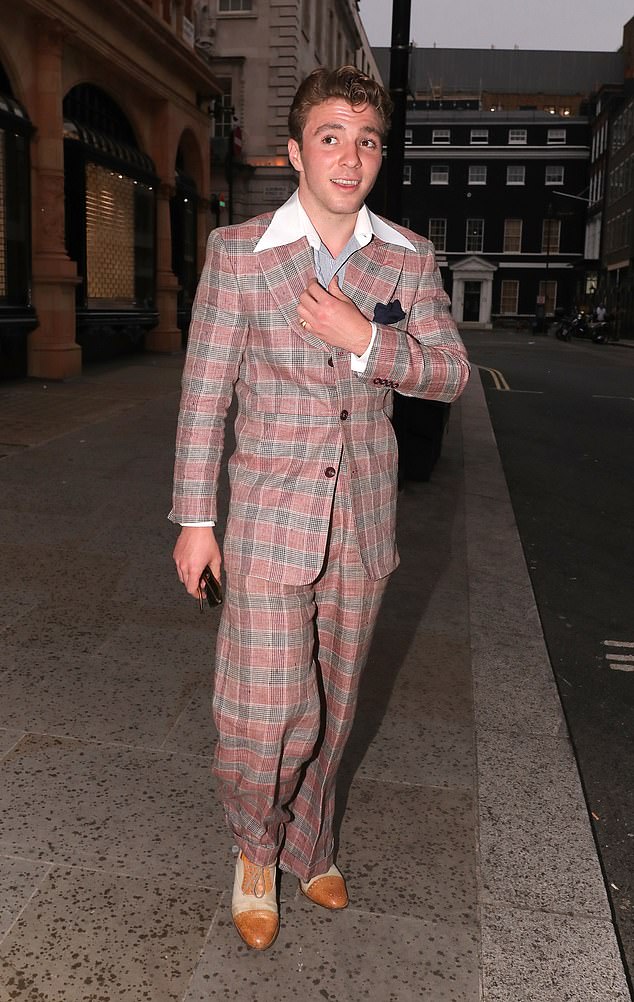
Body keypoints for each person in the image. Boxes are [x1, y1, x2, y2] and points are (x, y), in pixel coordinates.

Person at [170, 65, 470, 951]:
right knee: (266, 715)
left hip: (365, 526)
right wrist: (195, 519)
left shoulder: (406, 257)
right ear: (295, 152)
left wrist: (369, 340)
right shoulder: (240, 252)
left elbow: (449, 373)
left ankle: (312, 842)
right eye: (332, 137)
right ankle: (255, 847)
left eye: (368, 139)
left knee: (336, 709)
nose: (351, 155)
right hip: (266, 520)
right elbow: (203, 396)